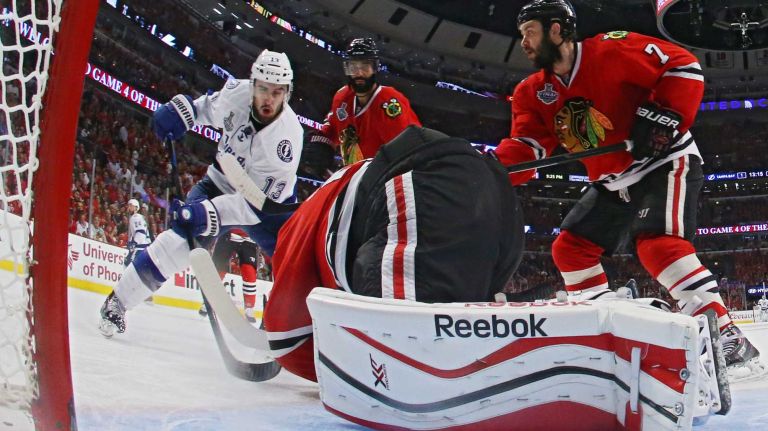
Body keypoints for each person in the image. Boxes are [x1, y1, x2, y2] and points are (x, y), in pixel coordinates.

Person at [492, 0, 759, 369]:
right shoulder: (531, 92)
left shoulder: (612, 48)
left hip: (662, 161)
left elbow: (683, 66)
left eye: (530, 33)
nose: (523, 42)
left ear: (557, 30)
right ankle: (602, 333)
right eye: (522, 35)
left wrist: (667, 116)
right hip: (611, 180)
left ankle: (725, 333)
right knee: (570, 250)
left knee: (657, 244)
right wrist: (492, 168)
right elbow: (529, 147)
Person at [261, 126, 524, 381]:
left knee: (401, 346)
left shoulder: (292, 236)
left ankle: (422, 366)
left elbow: (287, 342)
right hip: (493, 188)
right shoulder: (320, 202)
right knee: (453, 319)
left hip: (423, 183)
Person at [99, 49, 303, 337]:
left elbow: (256, 204)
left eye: (277, 92)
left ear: (287, 93)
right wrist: (185, 113)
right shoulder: (236, 93)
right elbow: (207, 109)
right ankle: (117, 303)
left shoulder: (287, 139)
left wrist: (209, 213)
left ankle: (290, 328)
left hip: (266, 207)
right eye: (263, 89)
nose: (269, 99)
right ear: (253, 83)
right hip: (220, 181)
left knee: (294, 260)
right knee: (177, 243)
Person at [319, 38, 421, 165]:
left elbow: (409, 149)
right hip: (352, 175)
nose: (359, 73)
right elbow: (333, 128)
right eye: (353, 67)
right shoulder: (342, 97)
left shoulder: (389, 102)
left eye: (365, 66)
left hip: (383, 179)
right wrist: (320, 141)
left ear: (374, 68)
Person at [199, 230, 261, 323]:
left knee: (249, 272)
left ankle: (249, 307)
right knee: (218, 270)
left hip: (249, 239)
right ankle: (208, 301)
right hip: (228, 234)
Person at [123, 199, 151, 267]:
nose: (129, 207)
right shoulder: (138, 217)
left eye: (131, 205)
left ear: (136, 207)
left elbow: (141, 233)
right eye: (128, 206)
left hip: (140, 248)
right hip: (143, 247)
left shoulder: (136, 217)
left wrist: (134, 243)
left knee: (129, 266)